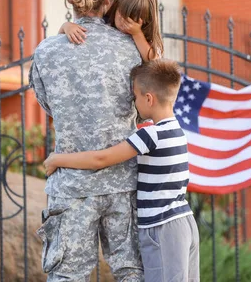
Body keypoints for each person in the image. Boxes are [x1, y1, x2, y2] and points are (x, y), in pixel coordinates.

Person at [30, 0, 143, 281]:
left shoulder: (46, 52)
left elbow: (46, 104)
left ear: (69, 0)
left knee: (67, 275)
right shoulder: (130, 49)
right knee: (133, 273)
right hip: (123, 184)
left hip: (71, 186)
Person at [44, 59, 200, 282]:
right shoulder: (177, 131)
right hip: (184, 223)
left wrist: (58, 159)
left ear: (149, 98)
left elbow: (101, 158)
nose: (134, 103)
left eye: (135, 96)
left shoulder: (151, 135)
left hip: (162, 228)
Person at [58, 0, 163, 62]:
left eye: (133, 21)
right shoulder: (103, 23)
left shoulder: (146, 36)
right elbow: (59, 38)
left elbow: (154, 61)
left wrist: (137, 34)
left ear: (146, 20)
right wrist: (66, 26)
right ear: (116, 5)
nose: (125, 24)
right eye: (122, 16)